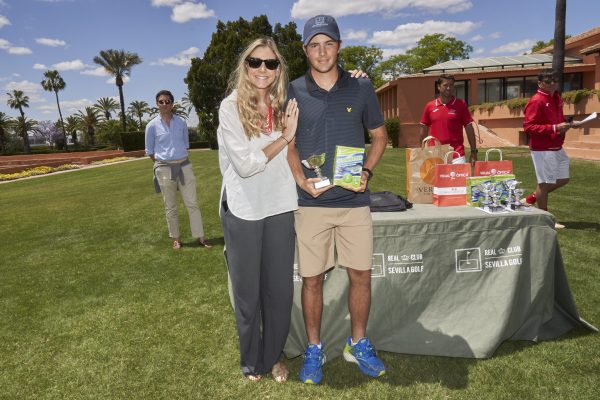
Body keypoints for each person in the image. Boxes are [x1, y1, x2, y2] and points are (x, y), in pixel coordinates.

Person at [287, 14, 388, 384]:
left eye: (328, 43)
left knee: (361, 275)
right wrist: (301, 179)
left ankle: (357, 342)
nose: (322, 51)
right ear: (305, 50)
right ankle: (314, 349)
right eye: (314, 44)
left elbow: (379, 137)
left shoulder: (361, 86)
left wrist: (366, 173)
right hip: (311, 204)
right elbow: (290, 144)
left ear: (339, 46)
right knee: (312, 280)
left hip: (354, 203)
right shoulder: (293, 90)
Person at [217, 37, 299, 383]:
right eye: (255, 62)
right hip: (243, 210)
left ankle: (272, 357)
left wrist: (357, 77)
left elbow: (326, 83)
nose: (262, 70)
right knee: (248, 294)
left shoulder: (286, 104)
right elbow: (247, 165)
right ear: (245, 65)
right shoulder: (230, 106)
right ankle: (251, 361)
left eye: (271, 63)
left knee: (279, 293)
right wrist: (283, 137)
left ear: (279, 68)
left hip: (280, 205)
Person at [145, 90, 211, 250]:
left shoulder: (181, 122)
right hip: (164, 168)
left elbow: (185, 145)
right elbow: (150, 151)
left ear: (172, 104)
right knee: (170, 206)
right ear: (157, 104)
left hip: (184, 166)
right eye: (161, 101)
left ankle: (201, 237)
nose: (165, 104)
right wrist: (164, 164)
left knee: (192, 203)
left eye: (168, 101)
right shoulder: (151, 126)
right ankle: (176, 238)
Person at [523, 70, 579, 229]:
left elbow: (558, 120)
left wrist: (568, 124)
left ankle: (531, 199)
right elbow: (528, 127)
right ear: (540, 83)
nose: (553, 83)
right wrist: (555, 128)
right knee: (544, 183)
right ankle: (546, 219)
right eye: (548, 81)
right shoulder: (536, 100)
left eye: (554, 80)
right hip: (542, 149)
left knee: (563, 178)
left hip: (557, 146)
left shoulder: (556, 97)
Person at [419, 74, 478, 164]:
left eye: (451, 85)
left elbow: (469, 128)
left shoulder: (461, 104)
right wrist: (422, 151)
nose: (448, 88)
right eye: (445, 85)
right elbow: (423, 130)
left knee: (459, 178)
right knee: (437, 178)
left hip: (456, 154)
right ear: (438, 87)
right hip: (435, 153)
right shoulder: (429, 106)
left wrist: (473, 152)